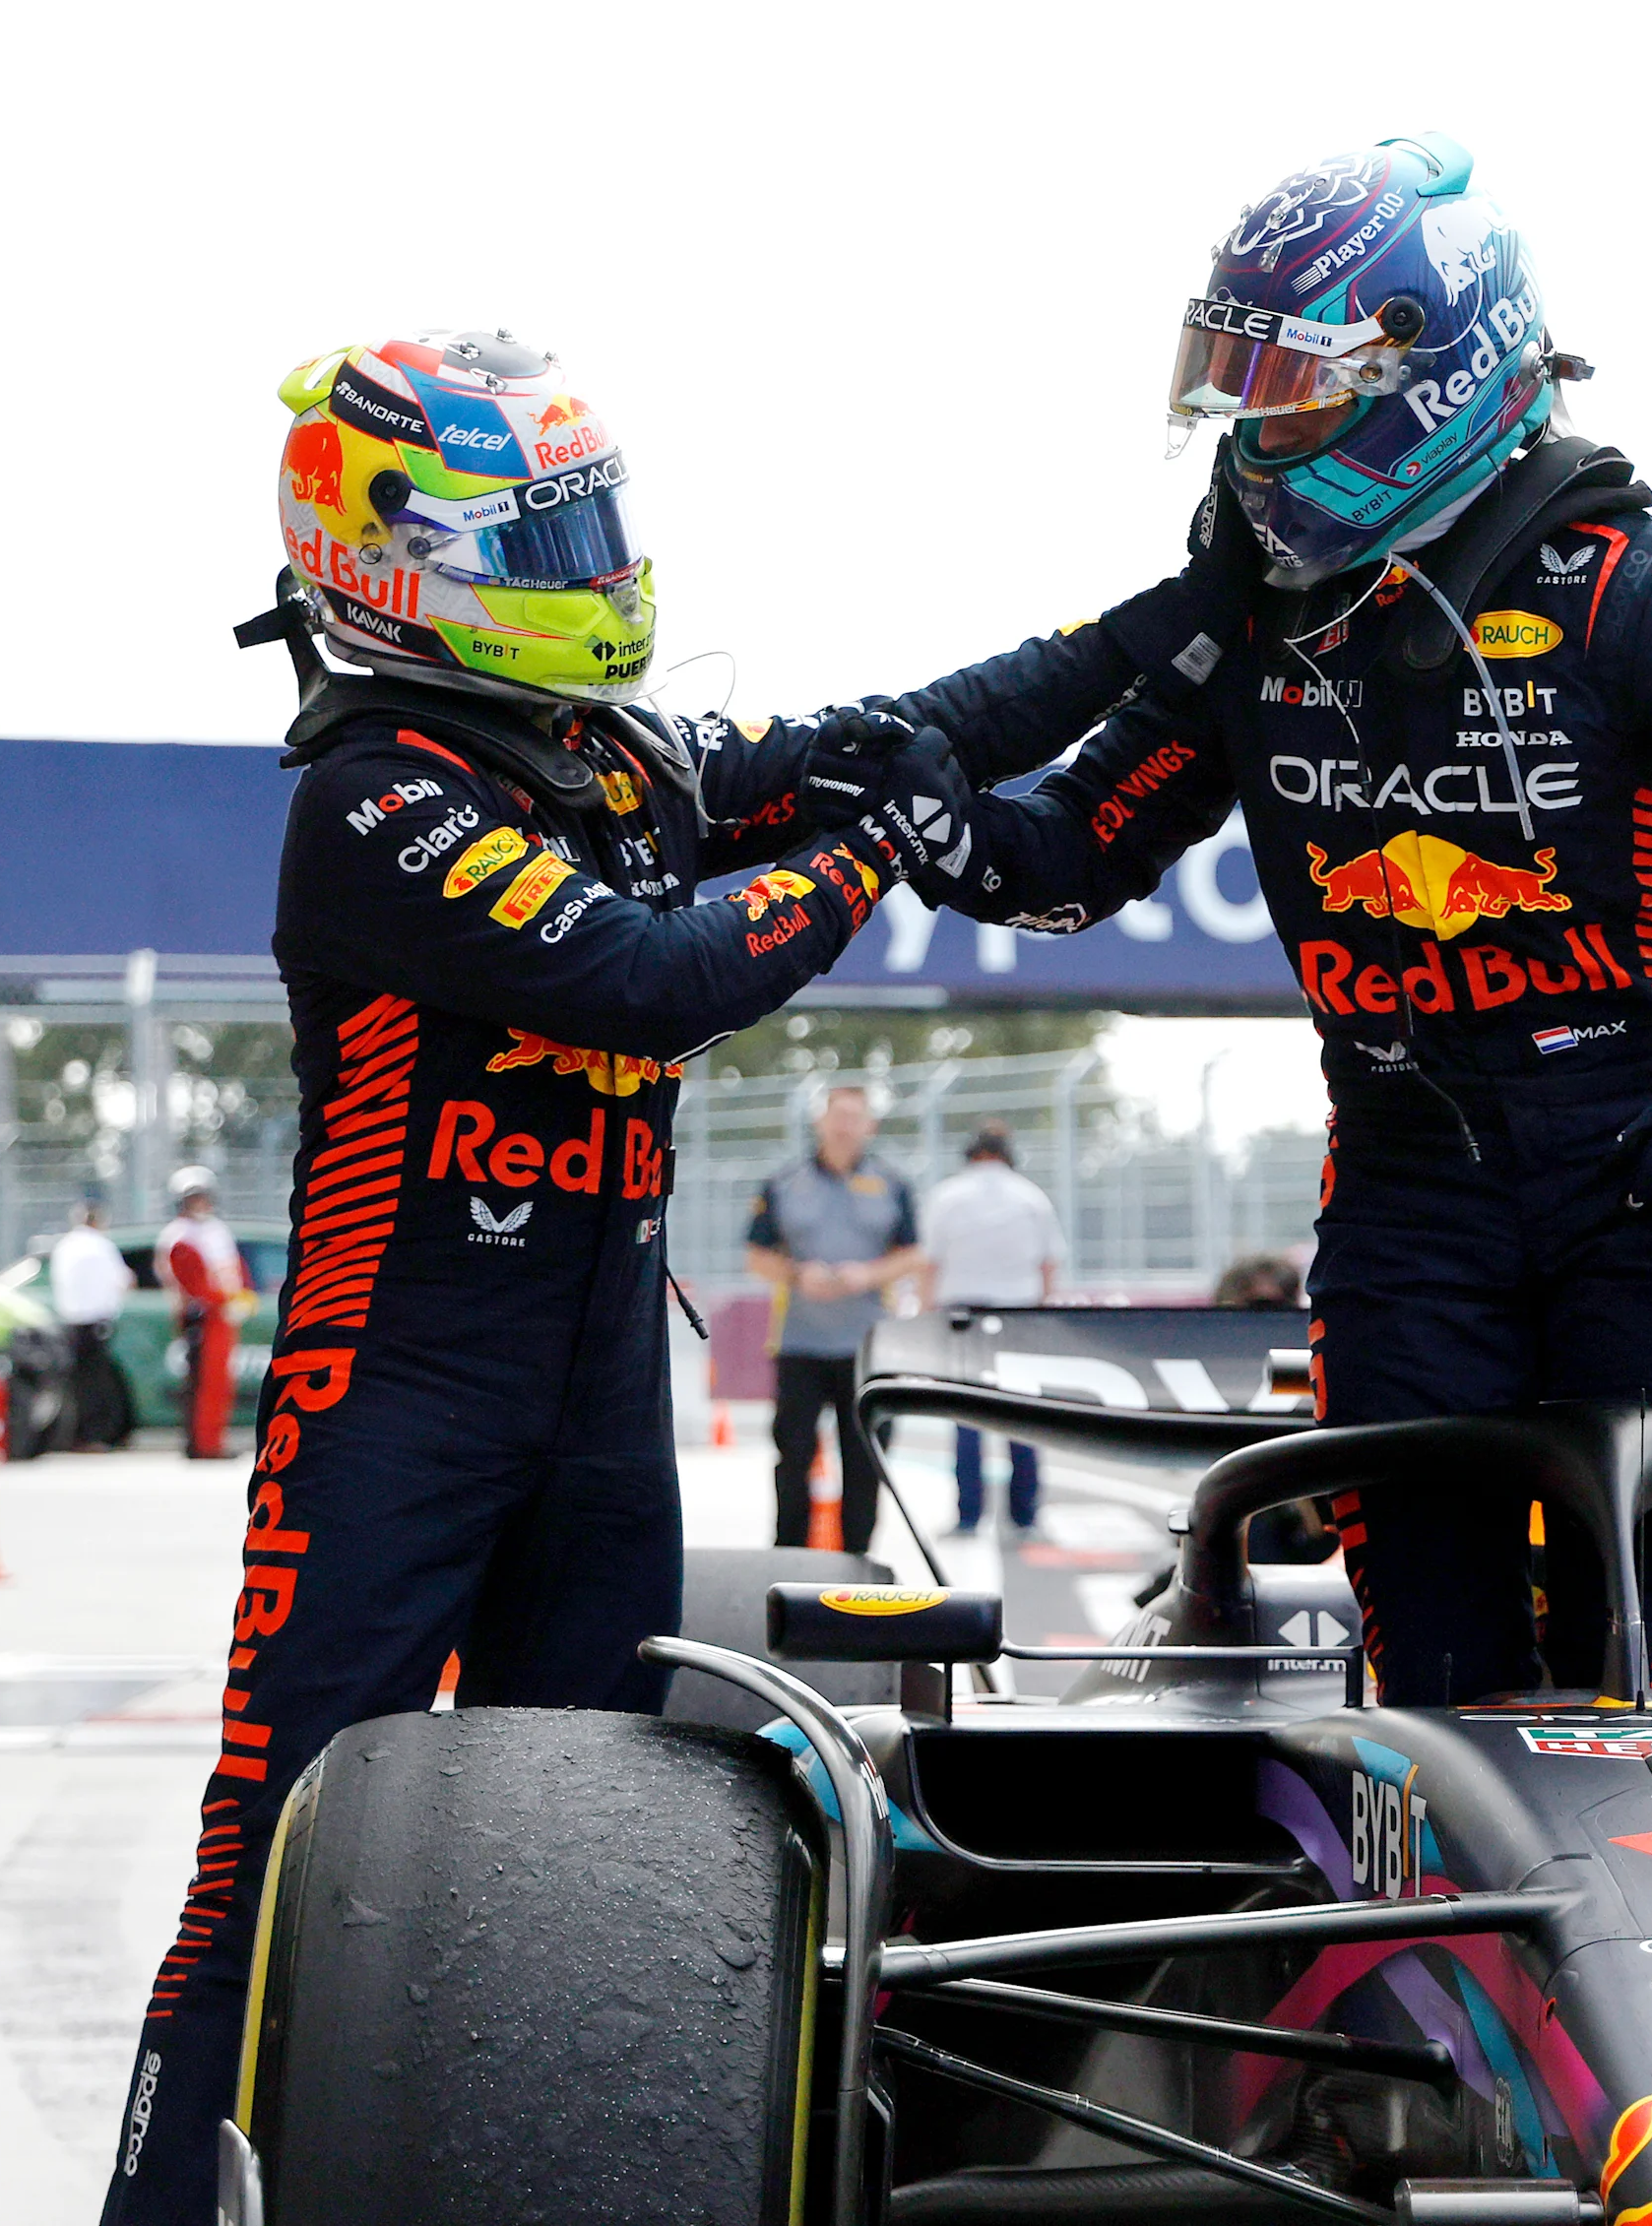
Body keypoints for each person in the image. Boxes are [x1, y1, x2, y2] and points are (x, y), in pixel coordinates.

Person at [104, 326, 1240, 2226]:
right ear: (399, 567)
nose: (598, 572)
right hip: (389, 1404)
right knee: (269, 1863)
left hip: (596, 1417)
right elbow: (649, 976)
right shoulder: (370, 796)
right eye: (547, 543)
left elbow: (921, 720)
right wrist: (872, 849)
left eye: (595, 527)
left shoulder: (616, 756)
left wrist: (1186, 608)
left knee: (582, 1867)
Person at [869, 137, 1652, 1704]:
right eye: (1241, 391)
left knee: (1643, 1667)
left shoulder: (1633, 588)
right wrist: (924, 820)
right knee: (1433, 1672)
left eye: (1291, 395)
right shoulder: (1249, 610)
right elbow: (1069, 853)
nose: (1255, 436)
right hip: (1407, 1186)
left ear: (1434, 370)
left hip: (1639, 1172)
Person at [747, 1084, 921, 1554]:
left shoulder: (893, 1184)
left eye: (854, 1117)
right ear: (820, 1121)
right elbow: (756, 1255)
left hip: (867, 1348)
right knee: (793, 1455)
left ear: (870, 1126)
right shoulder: (784, 1182)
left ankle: (858, 1558)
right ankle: (789, 1555)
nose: (844, 1127)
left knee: (865, 1459)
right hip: (800, 1344)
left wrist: (868, 1274)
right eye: (836, 1116)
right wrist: (797, 1274)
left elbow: (913, 1254)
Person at [920, 1121, 1062, 1535]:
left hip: (963, 1316)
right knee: (1023, 1414)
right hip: (1019, 1315)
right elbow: (1048, 1264)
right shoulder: (1031, 1197)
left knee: (966, 1415)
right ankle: (1025, 1514)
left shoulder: (947, 1196)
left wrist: (925, 1316)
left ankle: (968, 1515)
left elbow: (929, 1263)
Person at [157, 1169, 247, 1460]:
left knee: (220, 1382)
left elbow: (232, 1270)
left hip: (224, 1313)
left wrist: (238, 1298)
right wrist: (219, 1300)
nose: (199, 1203)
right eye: (192, 1198)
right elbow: (189, 1280)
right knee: (203, 1382)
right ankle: (203, 1442)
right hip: (202, 1315)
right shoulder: (178, 1235)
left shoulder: (216, 1230)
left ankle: (214, 1438)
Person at [50, 1198, 136, 1450]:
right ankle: (99, 1435)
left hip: (70, 1323)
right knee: (100, 1383)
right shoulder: (102, 1245)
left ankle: (78, 1435)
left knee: (77, 1383)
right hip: (97, 1323)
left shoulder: (64, 1246)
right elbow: (124, 1281)